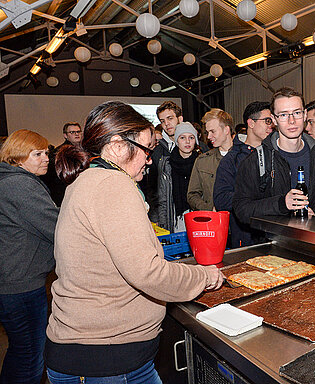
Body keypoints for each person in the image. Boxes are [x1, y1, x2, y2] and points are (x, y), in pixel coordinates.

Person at [45, 101, 223, 382]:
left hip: (101, 355)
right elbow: (147, 272)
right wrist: (205, 276)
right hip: (105, 359)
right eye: (146, 150)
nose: (149, 160)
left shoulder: (88, 180)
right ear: (117, 145)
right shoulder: (113, 185)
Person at [0, 129, 58, 384]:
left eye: (46, 153)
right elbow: (55, 226)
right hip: (21, 285)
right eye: (38, 154)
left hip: (13, 281)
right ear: (18, 157)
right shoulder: (19, 185)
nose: (46, 158)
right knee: (31, 356)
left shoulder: (11, 181)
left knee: (20, 351)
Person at [233, 87, 315, 223]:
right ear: (274, 120)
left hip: (313, 241)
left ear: (305, 115)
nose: (291, 121)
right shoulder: (257, 161)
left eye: (296, 113)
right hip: (274, 241)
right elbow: (242, 209)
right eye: (283, 115)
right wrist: (281, 204)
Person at [214, 101, 273, 248]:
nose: (270, 125)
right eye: (267, 121)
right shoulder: (232, 159)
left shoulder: (275, 155)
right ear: (251, 123)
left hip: (274, 235)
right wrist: (254, 199)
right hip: (246, 238)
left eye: (272, 121)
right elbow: (221, 199)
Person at [187, 108, 234, 211]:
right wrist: (208, 209)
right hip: (213, 222)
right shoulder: (203, 161)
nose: (209, 136)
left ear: (226, 130)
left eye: (213, 132)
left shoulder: (245, 158)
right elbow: (192, 195)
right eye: (207, 132)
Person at [158, 122, 200, 232]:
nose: (187, 141)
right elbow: (163, 199)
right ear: (177, 141)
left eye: (191, 137)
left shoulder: (202, 163)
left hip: (198, 217)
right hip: (175, 219)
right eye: (182, 137)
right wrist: (163, 225)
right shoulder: (167, 164)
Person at [147, 101, 183, 221]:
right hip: (165, 216)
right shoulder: (157, 152)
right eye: (162, 121)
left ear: (180, 119)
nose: (166, 124)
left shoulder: (198, 149)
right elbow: (153, 190)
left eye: (170, 118)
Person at [42, 122, 83, 206]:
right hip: (63, 192)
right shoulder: (60, 152)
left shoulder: (84, 149)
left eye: (78, 132)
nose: (76, 134)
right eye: (72, 132)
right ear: (65, 135)